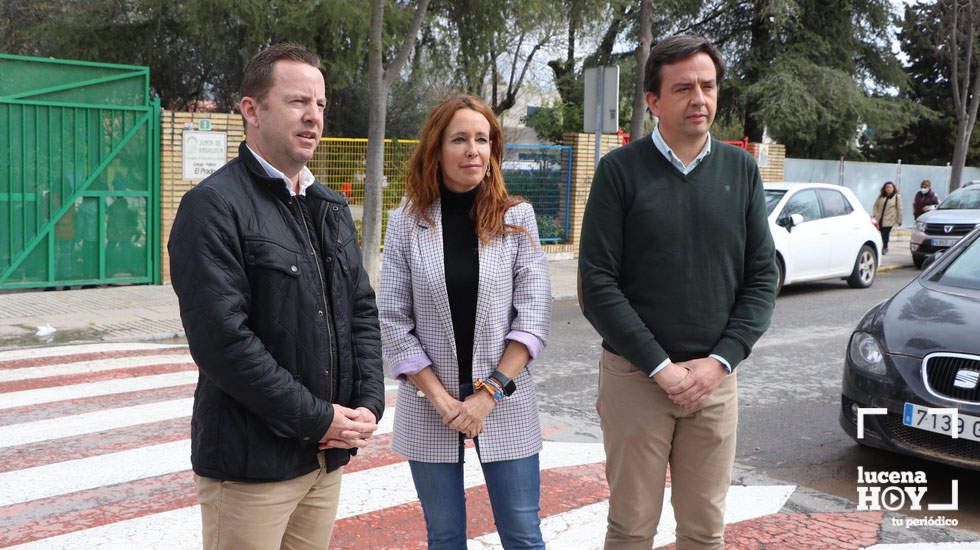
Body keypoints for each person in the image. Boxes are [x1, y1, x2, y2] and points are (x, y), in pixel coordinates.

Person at [168, 43, 385, 549]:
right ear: (251, 109)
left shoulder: (329, 207)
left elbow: (361, 313)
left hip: (324, 460)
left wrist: (367, 404)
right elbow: (224, 344)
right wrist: (320, 418)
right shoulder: (213, 207)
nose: (314, 117)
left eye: (321, 105)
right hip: (251, 468)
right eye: (297, 102)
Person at [578, 35, 778, 549]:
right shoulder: (619, 172)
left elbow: (761, 278)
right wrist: (660, 367)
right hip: (635, 379)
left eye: (708, 86)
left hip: (715, 382)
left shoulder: (742, 171)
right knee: (631, 526)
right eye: (684, 87)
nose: (700, 99)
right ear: (653, 100)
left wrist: (720, 361)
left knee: (705, 529)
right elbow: (597, 284)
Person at [379, 95, 551, 550]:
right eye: (460, 139)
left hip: (504, 401)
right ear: (436, 150)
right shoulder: (406, 222)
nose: (473, 149)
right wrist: (441, 398)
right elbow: (393, 319)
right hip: (429, 405)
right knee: (446, 537)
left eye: (483, 139)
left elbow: (532, 317)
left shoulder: (517, 218)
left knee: (523, 535)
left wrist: (487, 395)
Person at [873, 181, 903, 254]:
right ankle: (883, 246)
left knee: (885, 233)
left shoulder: (896, 197)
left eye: (890, 187)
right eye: (887, 187)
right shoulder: (881, 196)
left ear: (893, 188)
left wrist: (900, 220)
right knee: (882, 233)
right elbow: (875, 205)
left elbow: (900, 209)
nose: (888, 189)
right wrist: (875, 214)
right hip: (880, 218)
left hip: (889, 219)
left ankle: (885, 247)